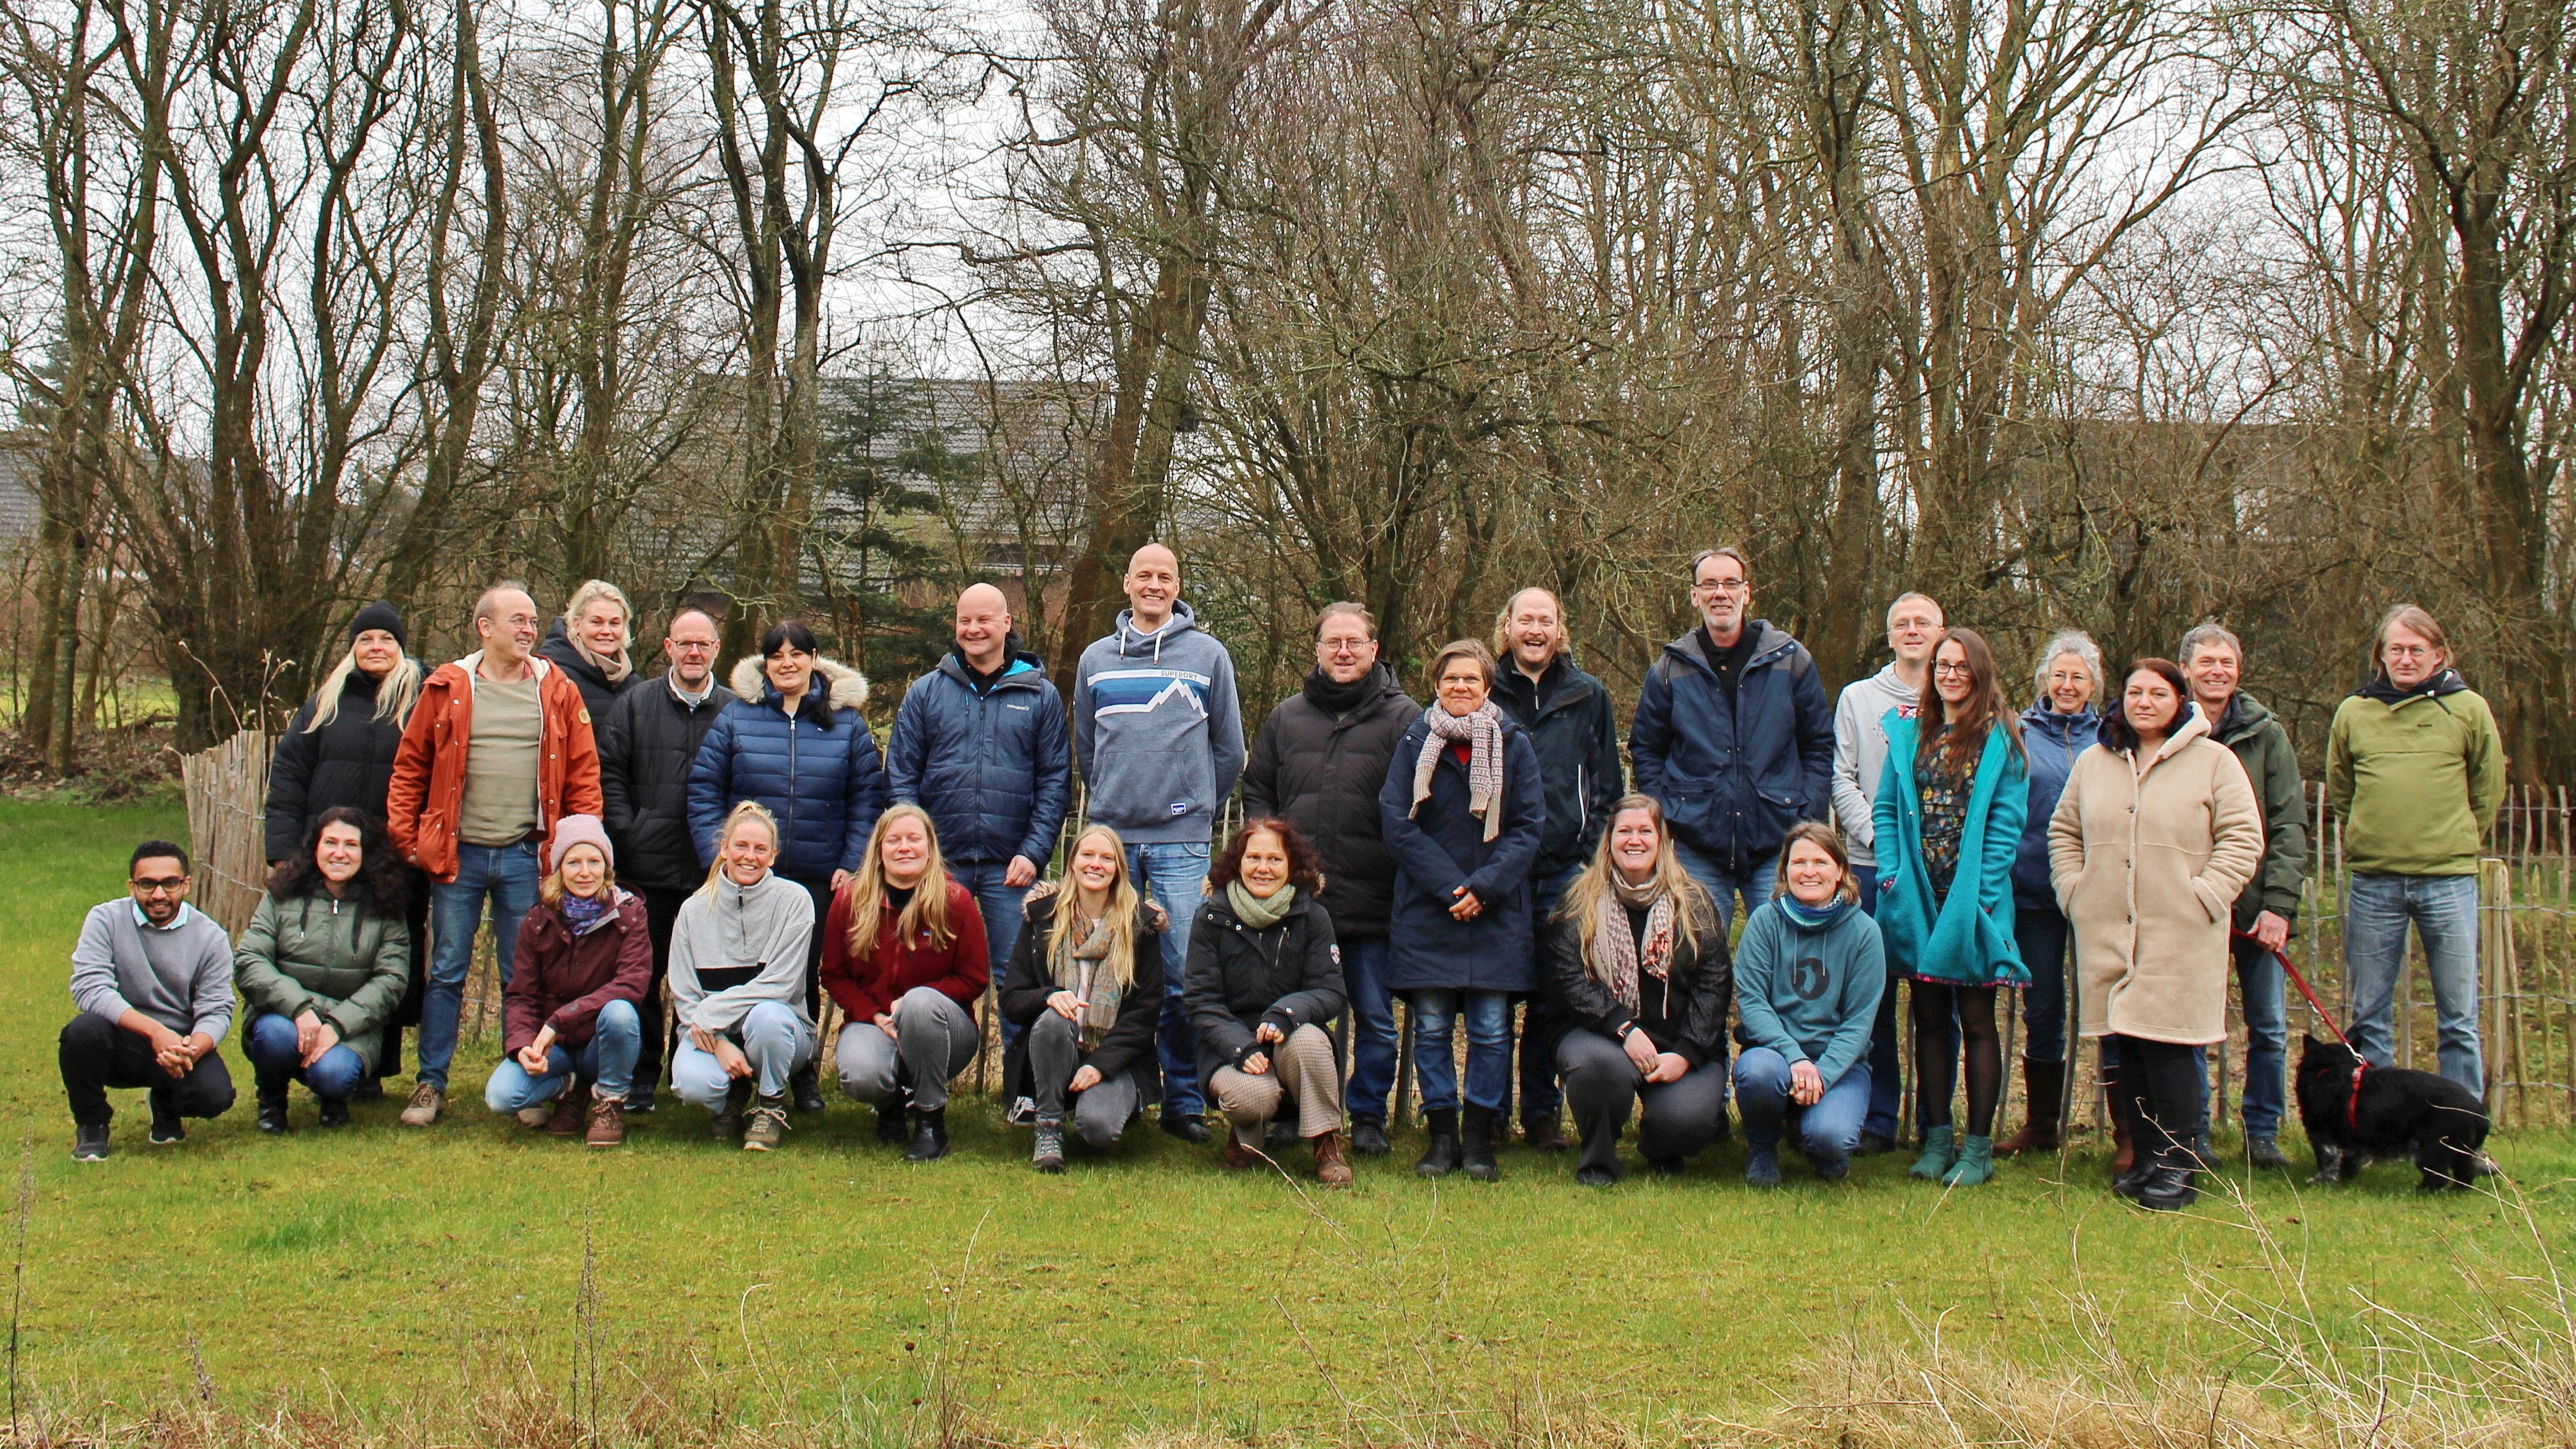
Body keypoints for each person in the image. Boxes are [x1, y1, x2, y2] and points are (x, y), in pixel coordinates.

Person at [385, 582, 603, 1127]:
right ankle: (430, 1085)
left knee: (523, 976)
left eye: (533, 621)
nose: (530, 630)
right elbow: (410, 768)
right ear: (485, 628)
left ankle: (526, 1082)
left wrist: (576, 845)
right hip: (458, 859)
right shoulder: (448, 686)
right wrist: (410, 842)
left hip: (525, 858)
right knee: (447, 971)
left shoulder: (557, 688)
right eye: (518, 621)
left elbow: (584, 774)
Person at [2050, 659, 2263, 1210]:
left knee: (2170, 1047)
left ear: (2179, 700)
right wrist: (2075, 891)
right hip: (2108, 930)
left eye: (2157, 693)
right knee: (2129, 1046)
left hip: (2181, 930)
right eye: (2134, 693)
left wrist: (2206, 895)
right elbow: (2064, 832)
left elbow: (2243, 838)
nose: (2144, 702)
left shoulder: (2214, 761)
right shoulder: (2095, 763)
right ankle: (2146, 1157)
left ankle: (2179, 1165)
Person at [1071, 543, 1245, 1142]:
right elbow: (1086, 751)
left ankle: (1185, 1101)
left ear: (1176, 585)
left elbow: (1230, 751)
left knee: (1178, 976)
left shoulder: (1207, 656)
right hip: (1112, 845)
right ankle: (1119, 1092)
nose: (1153, 584)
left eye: (1163, 576)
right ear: (1126, 583)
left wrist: (1193, 806)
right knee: (1108, 974)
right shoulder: (1095, 659)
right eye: (1143, 574)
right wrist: (1115, 805)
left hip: (1180, 843)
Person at [1239, 601, 1416, 1156]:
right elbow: (1258, 791)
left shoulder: (1405, 718)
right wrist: (1270, 855)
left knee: (1376, 1020)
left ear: (1373, 650)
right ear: (1316, 650)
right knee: (1290, 1014)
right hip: (1298, 904)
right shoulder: (1286, 717)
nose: (1343, 652)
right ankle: (1294, 1112)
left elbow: (1419, 803)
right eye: (1332, 643)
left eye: (1354, 643)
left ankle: (1366, 1118)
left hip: (1373, 897)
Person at [689, 618, 884, 1112]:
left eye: (797, 654)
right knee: (740, 969)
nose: (788, 664)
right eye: (777, 656)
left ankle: (802, 1072)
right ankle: (734, 1073)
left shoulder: (847, 724)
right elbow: (705, 789)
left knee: (800, 975)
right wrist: (721, 855)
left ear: (814, 659)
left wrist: (852, 863)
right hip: (749, 875)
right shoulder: (738, 718)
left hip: (820, 873)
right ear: (765, 663)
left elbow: (867, 799)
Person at [1379, 639, 1545, 1180]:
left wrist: (1486, 888)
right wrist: (1452, 888)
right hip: (1430, 909)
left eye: (1471, 680)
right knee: (1429, 1028)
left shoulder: (1514, 744)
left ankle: (1479, 1139)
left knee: (1492, 1030)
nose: (1460, 688)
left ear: (1488, 687)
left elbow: (1527, 827)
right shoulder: (1414, 742)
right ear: (1435, 685)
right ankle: (1441, 1137)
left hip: (1497, 911)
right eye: (1451, 679)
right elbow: (1397, 823)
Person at [885, 583, 1071, 1062]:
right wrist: (921, 855)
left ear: (1006, 624)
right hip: (939, 870)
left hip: (1012, 869)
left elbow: (1054, 782)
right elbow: (902, 775)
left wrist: (1033, 852)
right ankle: (924, 1080)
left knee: (1018, 979)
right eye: (965, 620)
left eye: (984, 620)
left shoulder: (1041, 697)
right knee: (928, 974)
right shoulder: (927, 693)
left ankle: (1021, 1089)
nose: (974, 629)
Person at [2326, 605, 2504, 1101]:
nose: (2405, 659)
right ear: (2380, 656)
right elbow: (2343, 788)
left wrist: (2457, 836)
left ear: (2438, 655)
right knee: (2369, 1017)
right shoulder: (2354, 712)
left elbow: (2487, 787)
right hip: (2374, 882)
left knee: (2459, 1016)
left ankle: (2461, 1132)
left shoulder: (2468, 709)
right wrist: (2370, 832)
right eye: (2396, 649)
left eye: (2416, 650)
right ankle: (2374, 1129)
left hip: (2447, 880)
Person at [1872, 628, 2029, 1188]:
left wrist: (1981, 896)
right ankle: (1937, 1140)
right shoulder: (1911, 733)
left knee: (1979, 1021)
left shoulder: (2000, 739)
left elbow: (2007, 825)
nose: (1951, 674)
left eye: (1962, 666)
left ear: (1980, 672)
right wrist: (1891, 873)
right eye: (1943, 665)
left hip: (1973, 902)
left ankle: (1978, 1148)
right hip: (1918, 897)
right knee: (1930, 1018)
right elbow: (1886, 811)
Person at [263, 601, 426, 1096]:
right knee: (325, 948)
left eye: (387, 641)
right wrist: (284, 848)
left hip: (392, 854)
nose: (376, 648)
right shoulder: (324, 703)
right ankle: (303, 1048)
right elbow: (289, 774)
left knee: (385, 955)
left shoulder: (421, 698)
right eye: (366, 640)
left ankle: (372, 1066)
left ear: (402, 649)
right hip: (326, 848)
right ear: (352, 648)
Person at [1630, 546, 1834, 929]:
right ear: (1694, 595)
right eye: (1709, 584)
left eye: (1730, 583)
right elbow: (1646, 748)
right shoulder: (1670, 668)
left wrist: (1807, 817)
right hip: (1696, 845)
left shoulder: (1790, 660)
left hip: (1779, 840)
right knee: (1697, 965)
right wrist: (1667, 813)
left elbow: (1819, 743)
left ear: (1747, 592)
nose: (1720, 593)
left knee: (1784, 961)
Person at [1490, 586, 1623, 1152]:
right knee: (1493, 995)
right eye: (1526, 620)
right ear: (1509, 627)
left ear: (1559, 628)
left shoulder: (1587, 694)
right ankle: (1488, 1116)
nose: (1536, 630)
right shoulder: (1484, 688)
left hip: (1563, 869)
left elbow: (1607, 784)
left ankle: (1541, 1115)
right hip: (1499, 867)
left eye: (1546, 620)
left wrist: (1588, 853)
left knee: (1553, 997)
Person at [1544, 796, 1730, 1186]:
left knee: (1684, 1123)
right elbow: (1567, 978)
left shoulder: (1693, 902)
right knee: (1598, 1068)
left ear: (1662, 840)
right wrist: (1623, 1029)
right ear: (1609, 839)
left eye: (1646, 831)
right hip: (1605, 1039)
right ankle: (1598, 1159)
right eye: (1624, 831)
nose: (1635, 840)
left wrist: (1687, 1052)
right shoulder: (1580, 899)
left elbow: (1714, 982)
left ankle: (1661, 1145)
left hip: (1678, 1042)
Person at [597, 605, 737, 1112]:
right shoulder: (635, 705)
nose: (694, 651)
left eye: (704, 643)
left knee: (707, 978)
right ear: (668, 649)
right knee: (643, 975)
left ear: (717, 650)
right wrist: (628, 831)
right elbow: (608, 772)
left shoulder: (735, 709)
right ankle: (641, 1075)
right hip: (646, 868)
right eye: (685, 643)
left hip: (712, 875)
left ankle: (695, 1069)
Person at [2181, 622, 2307, 1169]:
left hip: (2256, 908)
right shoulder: (2169, 727)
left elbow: (2288, 823)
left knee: (2268, 1027)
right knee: (2188, 1025)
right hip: (2189, 906)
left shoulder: (2266, 732)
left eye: (2225, 663)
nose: (2216, 672)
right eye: (2206, 662)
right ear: (2185, 670)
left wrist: (2279, 905)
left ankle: (2262, 1132)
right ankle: (2195, 1131)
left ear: (2239, 669)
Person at [1829, 591, 1942, 1154]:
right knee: (1872, 1000)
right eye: (1903, 623)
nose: (1913, 630)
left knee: (1933, 999)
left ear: (1941, 631)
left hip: (1936, 875)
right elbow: (1842, 778)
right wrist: (1882, 837)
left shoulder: (1958, 697)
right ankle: (1876, 1119)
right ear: (1889, 634)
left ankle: (1933, 1123)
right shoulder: (1859, 698)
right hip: (1872, 867)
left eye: (1924, 622)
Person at [1184, 819, 1352, 1186]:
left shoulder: (1314, 917)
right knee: (1250, 1097)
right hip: (1232, 1045)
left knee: (1309, 1041)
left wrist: (1287, 1014)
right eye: (1254, 857)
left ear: (1291, 865)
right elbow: (1201, 999)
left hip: (1292, 1036)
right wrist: (1239, 1046)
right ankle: (1246, 1138)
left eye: (1275, 859)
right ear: (1237, 863)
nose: (1263, 868)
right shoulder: (1209, 918)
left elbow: (1331, 991)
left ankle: (1326, 1146)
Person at [819, 805, 990, 1162]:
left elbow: (974, 978)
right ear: (878, 849)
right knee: (861, 1075)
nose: (904, 848)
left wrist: (914, 1006)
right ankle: (891, 1104)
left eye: (914, 839)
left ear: (930, 846)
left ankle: (931, 1122)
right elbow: (834, 974)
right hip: (874, 1022)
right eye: (894, 840)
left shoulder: (956, 901)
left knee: (919, 1004)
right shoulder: (850, 899)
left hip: (943, 1030)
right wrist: (875, 1015)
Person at [998, 825, 1168, 1171]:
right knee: (1052, 1017)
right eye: (1087, 855)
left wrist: (1100, 1065)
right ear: (1072, 863)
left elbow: (1145, 1014)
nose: (1096, 864)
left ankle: (1109, 1105)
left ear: (1119, 869)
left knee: (1098, 1129)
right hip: (1053, 1051)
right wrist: (1048, 996)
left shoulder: (1140, 926)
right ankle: (1048, 1127)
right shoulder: (1042, 918)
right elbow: (1012, 999)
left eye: (1107, 858)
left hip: (1115, 1058)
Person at [235, 808, 413, 1133]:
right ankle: (272, 1100)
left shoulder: (387, 905)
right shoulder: (281, 896)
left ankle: (333, 1099)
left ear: (366, 852)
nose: (340, 853)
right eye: (330, 842)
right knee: (272, 1036)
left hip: (350, 1027)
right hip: (287, 1018)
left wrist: (337, 1025)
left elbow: (392, 980)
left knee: (335, 1074)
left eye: (351, 845)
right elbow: (250, 960)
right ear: (314, 847)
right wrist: (301, 1009)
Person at [1995, 630, 2103, 1160]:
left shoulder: (2110, 738)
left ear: (2093, 685)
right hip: (2034, 892)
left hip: (2096, 894)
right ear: (2043, 680)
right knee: (2044, 1009)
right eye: (2058, 675)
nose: (2067, 685)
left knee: (2108, 1005)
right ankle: (2041, 1124)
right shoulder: (2018, 732)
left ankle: (2126, 1127)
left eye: (2078, 677)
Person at [60, 842, 237, 1159]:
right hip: (121, 1037)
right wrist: (155, 1033)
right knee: (82, 1033)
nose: (158, 895)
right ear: (132, 886)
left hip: (180, 1043)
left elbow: (218, 1007)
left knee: (215, 1097)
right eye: (147, 884)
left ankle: (166, 1103)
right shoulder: (105, 919)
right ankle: (92, 1124)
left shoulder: (211, 937)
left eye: (170, 883)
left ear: (186, 884)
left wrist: (189, 1050)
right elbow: (90, 987)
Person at [482, 815, 650, 1147]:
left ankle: (610, 1102)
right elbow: (520, 995)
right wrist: (522, 1047)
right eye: (574, 862)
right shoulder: (538, 919)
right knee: (501, 1097)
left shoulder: (630, 914)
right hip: (553, 1047)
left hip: (599, 1044)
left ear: (607, 866)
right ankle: (568, 1089)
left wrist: (560, 1020)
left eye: (594, 861)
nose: (585, 872)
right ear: (559, 869)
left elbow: (631, 984)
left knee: (620, 1012)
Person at [1733, 823, 1886, 1184]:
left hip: (1840, 1064)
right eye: (1799, 862)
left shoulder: (1865, 933)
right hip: (1773, 1055)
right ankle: (1762, 1149)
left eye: (1821, 862)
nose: (1810, 871)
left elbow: (1859, 1024)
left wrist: (1823, 1072)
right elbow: (1752, 1003)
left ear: (1841, 872)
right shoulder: (1764, 922)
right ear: (1785, 871)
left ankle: (1825, 1150)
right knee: (1758, 1073)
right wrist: (1795, 1057)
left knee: (1830, 1137)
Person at [667, 802, 818, 1151]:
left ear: (773, 856)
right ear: (723, 849)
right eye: (741, 846)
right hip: (712, 1035)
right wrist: (718, 1040)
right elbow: (686, 993)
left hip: (780, 1032)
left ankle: (770, 1105)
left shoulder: (796, 902)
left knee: (767, 1016)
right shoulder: (692, 909)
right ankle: (731, 1098)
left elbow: (780, 984)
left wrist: (710, 1014)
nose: (750, 857)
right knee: (692, 1085)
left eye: (760, 849)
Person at [538, 579, 642, 717]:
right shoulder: (554, 676)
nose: (606, 631)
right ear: (577, 624)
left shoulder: (635, 686)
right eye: (596, 622)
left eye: (614, 623)